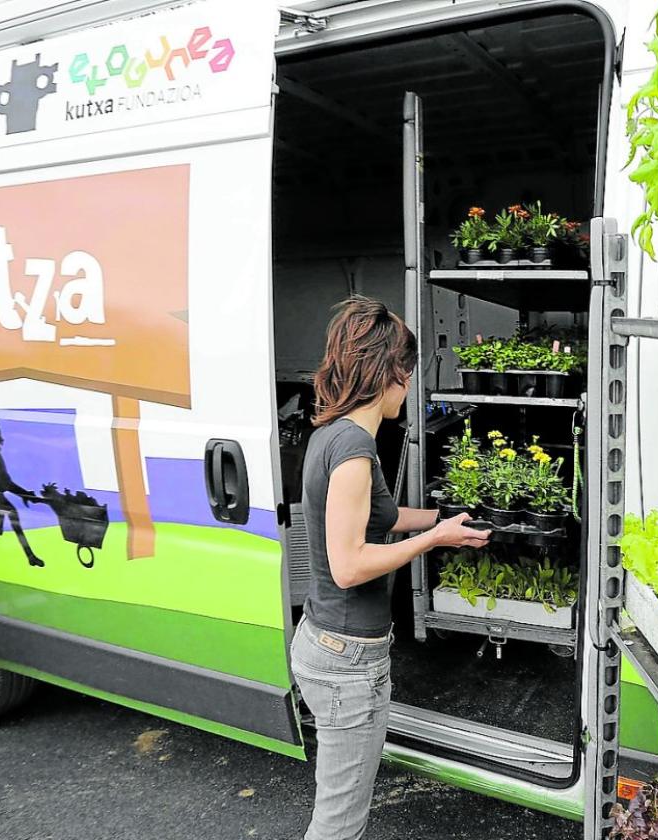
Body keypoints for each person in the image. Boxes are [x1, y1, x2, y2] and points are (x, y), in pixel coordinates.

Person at [291, 296, 489, 840]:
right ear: (388, 373)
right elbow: (350, 564)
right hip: (346, 661)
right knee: (338, 825)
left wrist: (443, 517)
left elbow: (375, 516)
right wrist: (435, 539)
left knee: (339, 812)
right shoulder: (356, 450)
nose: (410, 383)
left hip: (326, 643)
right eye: (407, 371)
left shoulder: (330, 435)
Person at [0, 418, 43, 567]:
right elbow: (3, 479)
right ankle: (30, 556)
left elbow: (3, 479)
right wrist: (24, 494)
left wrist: (25, 494)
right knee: (12, 518)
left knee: (0, 522)